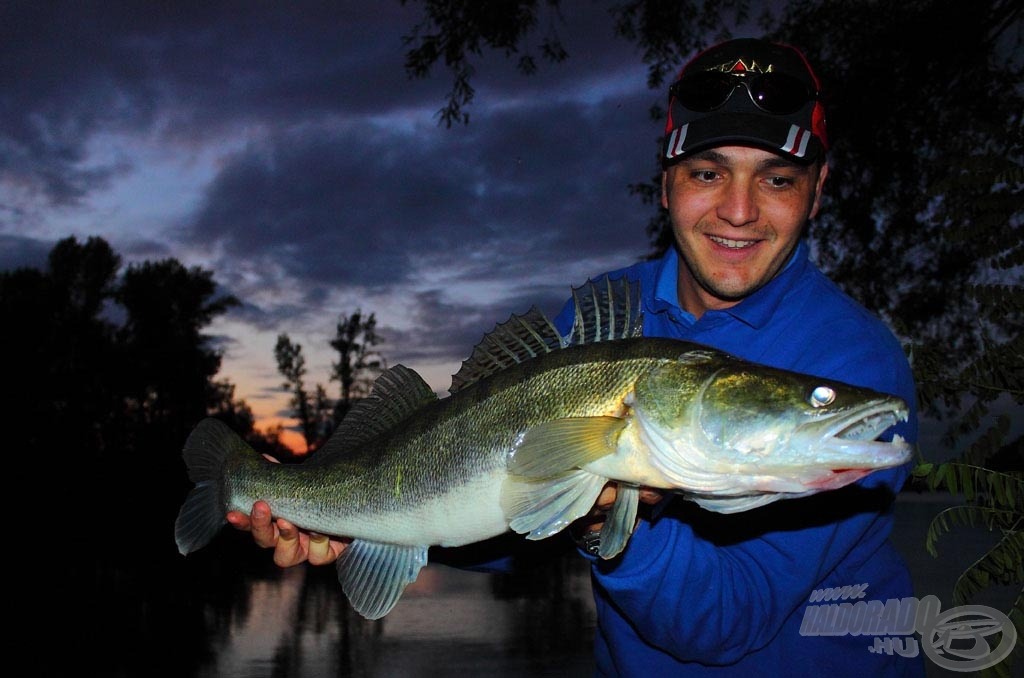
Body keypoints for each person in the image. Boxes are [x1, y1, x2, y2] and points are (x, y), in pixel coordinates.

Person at [229, 38, 922, 676]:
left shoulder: (854, 358)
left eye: (776, 179)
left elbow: (722, 624)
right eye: (708, 172)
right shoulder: (602, 321)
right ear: (666, 184)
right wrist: (372, 524)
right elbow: (512, 514)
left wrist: (601, 520)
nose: (738, 210)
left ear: (817, 193)